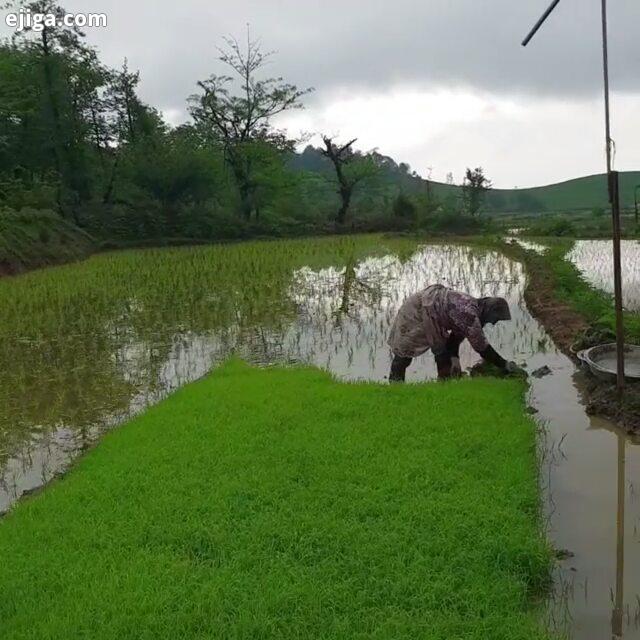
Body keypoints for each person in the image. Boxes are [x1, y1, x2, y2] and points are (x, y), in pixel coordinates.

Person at [387, 284, 524, 382]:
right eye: (494, 319)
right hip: (418, 309)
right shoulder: (468, 313)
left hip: (430, 310)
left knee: (442, 350)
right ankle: (396, 385)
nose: (493, 323)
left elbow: (455, 339)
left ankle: (444, 385)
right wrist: (505, 365)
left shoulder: (471, 308)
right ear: (489, 311)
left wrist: (455, 360)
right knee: (405, 349)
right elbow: (482, 347)